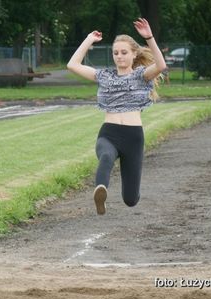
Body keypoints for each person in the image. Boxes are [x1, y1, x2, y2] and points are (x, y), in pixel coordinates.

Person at [67, 18, 166, 215]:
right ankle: (100, 190)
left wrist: (149, 37)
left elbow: (161, 65)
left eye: (123, 52)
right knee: (106, 156)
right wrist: (88, 40)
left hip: (133, 137)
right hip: (109, 133)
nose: (119, 57)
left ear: (134, 54)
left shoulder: (141, 76)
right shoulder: (104, 76)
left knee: (130, 200)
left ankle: (121, 193)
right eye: (115, 53)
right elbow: (72, 64)